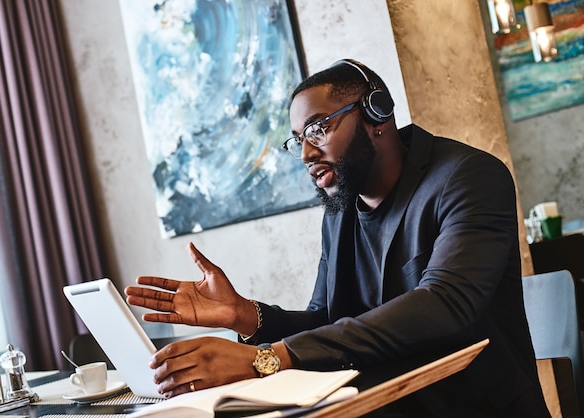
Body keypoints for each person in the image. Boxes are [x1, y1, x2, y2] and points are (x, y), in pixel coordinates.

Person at [125, 59, 550, 417]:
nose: (307, 154)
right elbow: (327, 320)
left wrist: (267, 360)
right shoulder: (340, 212)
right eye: (298, 140)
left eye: (318, 129)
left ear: (376, 115)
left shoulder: (467, 177)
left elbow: (444, 305)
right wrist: (247, 317)